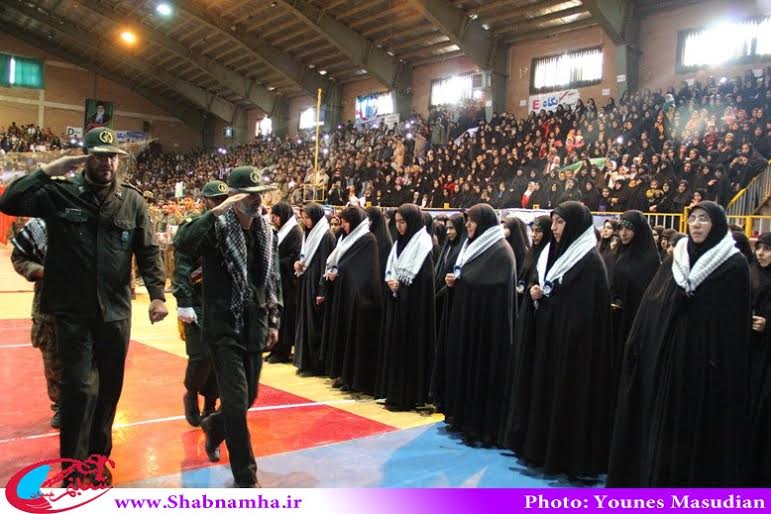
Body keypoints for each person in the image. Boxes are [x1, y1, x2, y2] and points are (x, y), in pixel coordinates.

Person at [0, 127, 168, 481]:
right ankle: (74, 469)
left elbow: (148, 250)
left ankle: (96, 459)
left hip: (115, 312)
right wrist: (49, 169)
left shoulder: (131, 200)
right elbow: (9, 201)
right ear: (86, 158)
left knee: (108, 391)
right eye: (100, 156)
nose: (107, 163)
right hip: (72, 312)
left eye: (112, 157)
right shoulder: (59, 193)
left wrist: (156, 294)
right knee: (78, 389)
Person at [608, 201, 751, 486]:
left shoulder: (733, 265)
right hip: (668, 358)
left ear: (717, 225)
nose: (696, 224)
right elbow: (652, 304)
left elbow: (733, 323)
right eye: (693, 218)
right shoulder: (678, 259)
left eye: (704, 219)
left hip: (705, 364)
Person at [174, 166, 282, 487]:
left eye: (259, 194)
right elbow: (182, 243)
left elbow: (272, 279)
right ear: (233, 198)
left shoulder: (266, 231)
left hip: (255, 324)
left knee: (248, 398)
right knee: (235, 402)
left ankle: (214, 426)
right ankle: (246, 476)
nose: (256, 199)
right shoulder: (215, 229)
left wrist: (273, 321)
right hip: (223, 328)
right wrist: (215, 212)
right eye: (248, 195)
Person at [503, 201, 611, 479]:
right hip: (547, 341)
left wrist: (551, 300)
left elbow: (583, 312)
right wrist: (537, 294)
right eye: (553, 221)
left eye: (560, 222)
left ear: (574, 225)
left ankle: (560, 454)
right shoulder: (550, 254)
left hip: (572, 350)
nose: (553, 228)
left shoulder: (590, 263)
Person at [439, 204, 515, 444]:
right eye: (467, 221)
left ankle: (479, 425)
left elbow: (493, 286)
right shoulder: (473, 247)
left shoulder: (501, 251)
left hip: (486, 330)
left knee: (481, 374)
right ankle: (461, 417)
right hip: (468, 323)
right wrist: (456, 283)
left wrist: (464, 280)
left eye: (472, 221)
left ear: (483, 224)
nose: (468, 225)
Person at [172, 181, 228, 427]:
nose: (220, 203)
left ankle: (210, 403)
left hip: (222, 303)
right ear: (205, 201)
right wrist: (183, 301)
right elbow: (182, 267)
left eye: (223, 199)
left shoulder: (233, 226)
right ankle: (191, 392)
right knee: (201, 356)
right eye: (215, 199)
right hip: (197, 301)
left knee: (219, 358)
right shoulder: (194, 226)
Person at [376, 204, 435, 411]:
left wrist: (401, 288)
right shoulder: (399, 244)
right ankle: (394, 393)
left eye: (403, 222)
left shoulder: (423, 247)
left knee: (409, 352)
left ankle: (408, 397)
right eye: (397, 222)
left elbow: (424, 283)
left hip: (413, 312)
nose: (399, 226)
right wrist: (393, 285)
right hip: (397, 305)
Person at [318, 206, 382, 394]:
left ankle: (352, 378)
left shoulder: (367, 239)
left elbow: (362, 270)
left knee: (353, 340)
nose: (343, 226)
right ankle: (342, 374)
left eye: (345, 222)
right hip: (344, 295)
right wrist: (334, 272)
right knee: (342, 337)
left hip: (358, 299)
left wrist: (339, 272)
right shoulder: (347, 238)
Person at [11, 218, 63, 428]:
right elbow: (18, 258)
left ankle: (85, 406)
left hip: (86, 308)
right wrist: (41, 271)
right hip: (49, 309)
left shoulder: (92, 217)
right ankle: (61, 406)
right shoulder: (39, 226)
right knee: (54, 362)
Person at [609, 210, 660, 415]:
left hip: (636, 321)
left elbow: (648, 293)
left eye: (629, 228)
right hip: (617, 319)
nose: (623, 233)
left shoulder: (649, 259)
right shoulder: (620, 252)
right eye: (621, 228)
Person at [293, 203, 336, 376]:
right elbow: (304, 256)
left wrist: (322, 291)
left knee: (315, 327)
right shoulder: (309, 233)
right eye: (303, 218)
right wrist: (298, 264)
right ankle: (305, 362)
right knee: (305, 323)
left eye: (308, 218)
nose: (305, 221)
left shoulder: (325, 235)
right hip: (306, 283)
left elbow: (328, 264)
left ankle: (316, 365)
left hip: (316, 286)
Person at [266, 202, 303, 364]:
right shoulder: (281, 230)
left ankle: (283, 351)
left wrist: (275, 263)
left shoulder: (295, 232)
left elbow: (294, 256)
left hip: (288, 283)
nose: (273, 219)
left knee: (286, 319)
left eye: (276, 216)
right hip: (278, 281)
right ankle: (275, 348)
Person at [751, 233, 771, 485]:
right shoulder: (750, 276)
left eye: (767, 249)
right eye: (759, 248)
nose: (761, 253)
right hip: (751, 356)